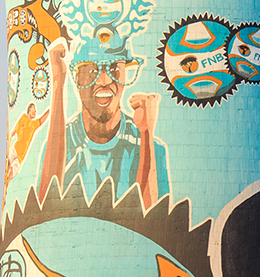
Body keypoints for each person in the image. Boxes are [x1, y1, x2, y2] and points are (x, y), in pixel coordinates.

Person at [39, 29, 169, 211]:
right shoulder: (61, 145)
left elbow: (151, 222)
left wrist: (146, 133)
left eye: (115, 68)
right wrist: (58, 84)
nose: (104, 80)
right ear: (76, 79)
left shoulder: (150, 147)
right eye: (92, 70)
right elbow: (43, 212)